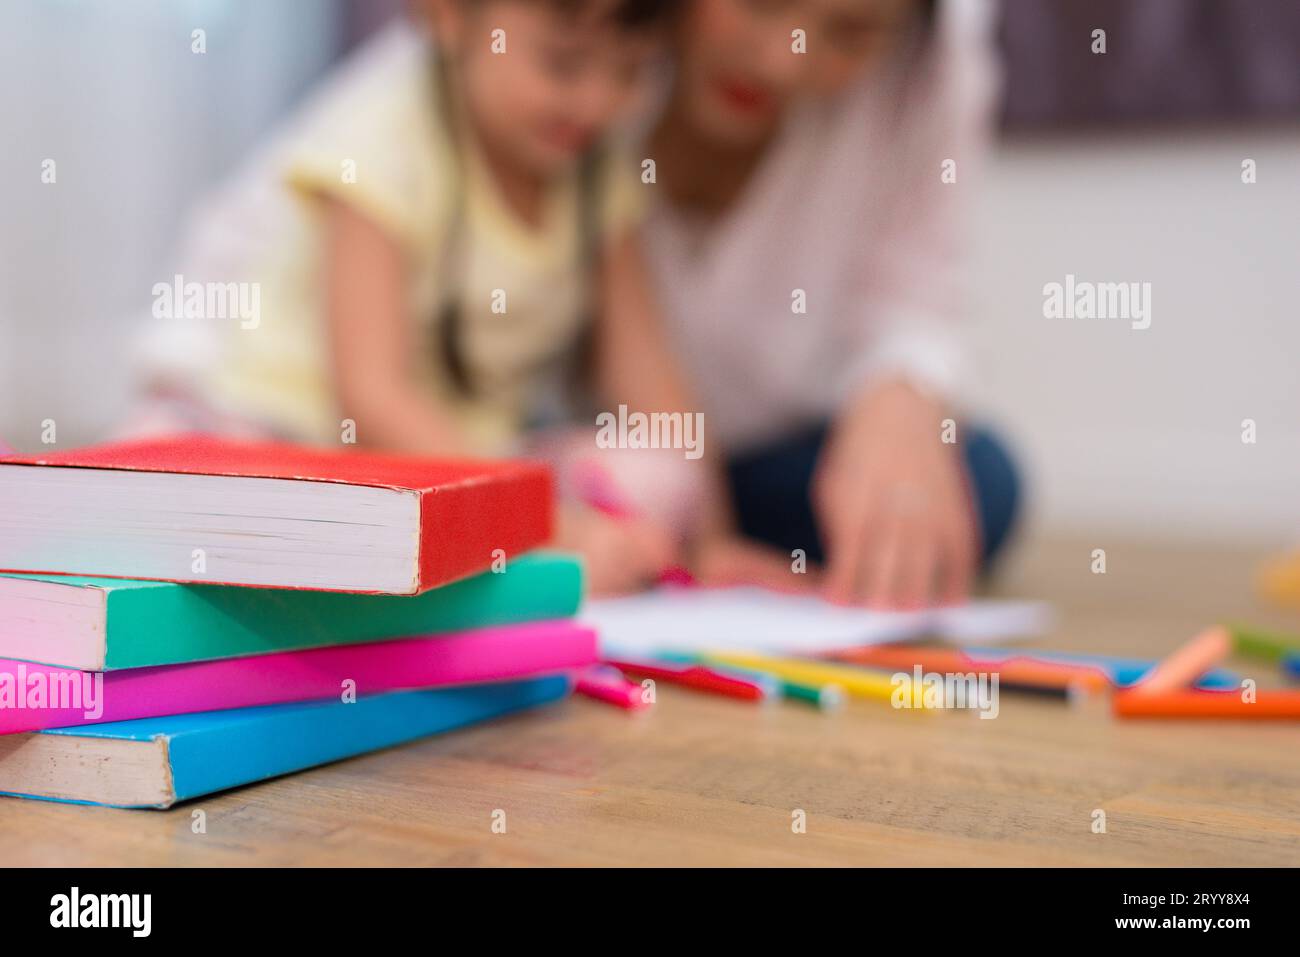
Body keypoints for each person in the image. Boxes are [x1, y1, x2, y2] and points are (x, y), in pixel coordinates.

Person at [634, 0, 1020, 608]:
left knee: (980, 482)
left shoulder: (931, 77)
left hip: (758, 459)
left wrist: (899, 402)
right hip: (579, 441)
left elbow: (917, 295)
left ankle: (679, 535)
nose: (782, 63)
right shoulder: (582, 64)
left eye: (853, 32)